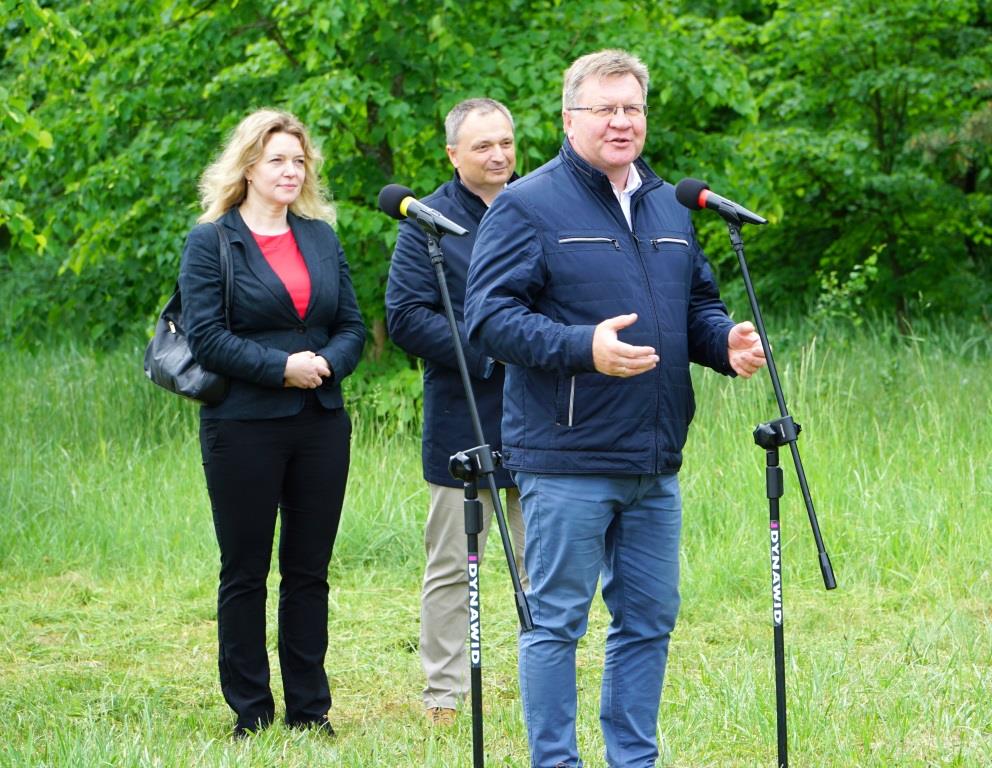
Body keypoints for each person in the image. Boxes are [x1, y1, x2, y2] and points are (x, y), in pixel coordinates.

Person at [464, 50, 766, 767]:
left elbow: (695, 304)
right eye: (605, 109)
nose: (621, 122)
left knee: (649, 621)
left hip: (654, 458)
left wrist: (724, 341)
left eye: (632, 108)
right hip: (565, 457)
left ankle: (634, 759)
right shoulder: (526, 205)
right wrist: (582, 347)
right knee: (556, 624)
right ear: (571, 119)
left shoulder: (669, 204)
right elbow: (488, 319)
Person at [179, 109, 366, 738]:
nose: (291, 170)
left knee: (309, 572)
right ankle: (251, 712)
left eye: (299, 160)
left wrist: (325, 364)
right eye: (277, 159)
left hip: (321, 422)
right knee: (245, 571)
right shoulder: (211, 241)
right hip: (243, 426)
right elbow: (206, 338)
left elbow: (352, 326)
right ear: (249, 166)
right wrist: (283, 367)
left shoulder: (321, 237)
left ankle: (310, 710)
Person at [385, 98, 528, 726]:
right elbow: (406, 317)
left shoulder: (540, 205)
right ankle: (443, 694)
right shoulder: (427, 222)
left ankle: (541, 677)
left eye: (505, 142)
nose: (498, 155)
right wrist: (491, 350)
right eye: (482, 146)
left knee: (544, 559)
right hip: (463, 414)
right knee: (451, 564)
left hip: (542, 414)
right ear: (452, 154)